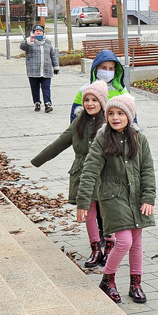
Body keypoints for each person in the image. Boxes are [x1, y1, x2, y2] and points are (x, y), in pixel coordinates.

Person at [76, 93, 156, 304]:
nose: (115, 117)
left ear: (130, 115)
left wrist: (149, 198)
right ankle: (107, 278)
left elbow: (148, 170)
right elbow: (89, 171)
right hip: (113, 198)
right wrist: (83, 202)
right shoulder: (103, 139)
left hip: (137, 197)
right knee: (125, 241)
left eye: (120, 113)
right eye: (111, 113)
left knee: (136, 243)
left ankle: (135, 284)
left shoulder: (139, 139)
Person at [31, 81, 110, 268]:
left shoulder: (108, 124)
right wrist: (37, 161)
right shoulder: (78, 123)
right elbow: (59, 143)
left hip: (105, 174)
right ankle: (96, 249)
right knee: (89, 213)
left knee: (107, 213)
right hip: (83, 174)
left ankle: (111, 249)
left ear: (102, 102)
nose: (90, 104)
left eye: (94, 100)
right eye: (87, 100)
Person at [70, 49, 128, 120]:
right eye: (103, 68)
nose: (107, 72)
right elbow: (75, 118)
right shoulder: (84, 90)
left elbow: (131, 116)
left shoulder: (121, 90)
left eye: (111, 69)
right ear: (96, 68)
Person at [20, 25, 59, 113]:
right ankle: (37, 102)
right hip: (33, 69)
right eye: (36, 31)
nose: (38, 32)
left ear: (43, 33)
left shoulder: (48, 42)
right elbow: (22, 47)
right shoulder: (29, 41)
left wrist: (56, 66)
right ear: (33, 33)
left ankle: (47, 104)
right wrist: (29, 40)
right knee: (35, 88)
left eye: (40, 31)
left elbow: (52, 54)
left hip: (46, 69)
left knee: (46, 87)